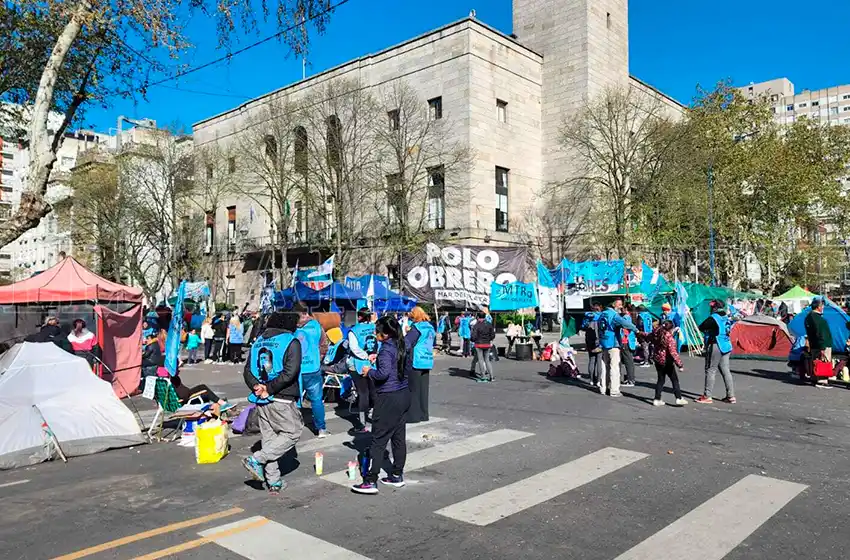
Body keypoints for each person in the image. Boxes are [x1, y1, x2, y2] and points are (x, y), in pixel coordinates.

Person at [241, 311, 304, 496]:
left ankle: (274, 481)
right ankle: (257, 459)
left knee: (269, 439)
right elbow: (290, 372)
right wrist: (269, 388)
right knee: (292, 433)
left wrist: (256, 387)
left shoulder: (259, 341)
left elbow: (247, 370)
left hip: (260, 398)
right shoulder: (291, 341)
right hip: (281, 396)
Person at [352, 316, 410, 494]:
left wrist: (369, 371)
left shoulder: (386, 349)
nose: (375, 334)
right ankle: (397, 474)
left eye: (377, 331)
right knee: (398, 438)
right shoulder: (402, 344)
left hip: (388, 397)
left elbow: (383, 374)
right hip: (403, 394)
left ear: (385, 334)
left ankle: (370, 480)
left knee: (378, 440)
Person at [295, 303, 330, 438]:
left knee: (293, 399)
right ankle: (321, 429)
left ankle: (293, 427)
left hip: (295, 369)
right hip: (313, 367)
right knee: (316, 400)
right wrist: (318, 359)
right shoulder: (316, 325)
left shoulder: (291, 326)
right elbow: (324, 345)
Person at [696, 300, 736, 404]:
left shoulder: (713, 318)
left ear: (714, 308)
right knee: (726, 371)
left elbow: (701, 327)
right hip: (726, 344)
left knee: (710, 370)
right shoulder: (725, 316)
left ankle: (707, 396)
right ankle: (731, 396)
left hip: (716, 344)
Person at [598, 298, 638, 397]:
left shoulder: (603, 314)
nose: (621, 307)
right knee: (614, 367)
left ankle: (603, 388)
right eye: (619, 305)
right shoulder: (614, 315)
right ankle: (614, 390)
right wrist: (636, 330)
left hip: (604, 342)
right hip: (613, 343)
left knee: (605, 367)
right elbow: (625, 324)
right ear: (613, 305)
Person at [642, 320, 687, 407]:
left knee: (661, 380)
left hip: (658, 359)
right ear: (671, 328)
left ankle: (657, 399)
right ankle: (678, 398)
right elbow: (673, 353)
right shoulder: (670, 338)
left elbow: (648, 335)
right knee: (674, 380)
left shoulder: (656, 333)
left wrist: (639, 332)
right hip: (667, 361)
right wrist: (680, 365)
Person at [348, 307, 378, 433]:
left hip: (358, 364)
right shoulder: (375, 327)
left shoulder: (354, 330)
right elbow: (380, 343)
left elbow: (354, 348)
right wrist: (374, 355)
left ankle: (362, 423)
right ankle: (377, 417)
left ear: (359, 317)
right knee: (374, 391)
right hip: (373, 363)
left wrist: (365, 355)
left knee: (363, 393)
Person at [405, 306, 435, 423]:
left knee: (414, 389)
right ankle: (424, 414)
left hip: (416, 360)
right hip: (427, 359)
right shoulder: (430, 327)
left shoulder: (416, 328)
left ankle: (413, 416)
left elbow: (407, 343)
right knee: (423, 390)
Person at [804, 297, 833, 387]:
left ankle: (814, 378)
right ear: (818, 307)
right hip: (822, 344)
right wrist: (822, 347)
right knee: (823, 361)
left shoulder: (808, 317)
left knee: (815, 361)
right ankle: (822, 381)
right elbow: (821, 333)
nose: (823, 308)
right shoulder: (818, 319)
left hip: (814, 343)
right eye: (822, 306)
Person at [471, 311, 496, 382]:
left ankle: (483, 377)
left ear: (478, 317)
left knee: (481, 360)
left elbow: (473, 336)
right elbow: (493, 335)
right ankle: (492, 377)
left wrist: (473, 340)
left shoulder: (476, 325)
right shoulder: (489, 324)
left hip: (479, 344)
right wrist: (489, 339)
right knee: (487, 360)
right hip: (487, 344)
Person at [583, 303, 603, 385]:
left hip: (589, 341)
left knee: (591, 360)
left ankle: (591, 379)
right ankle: (598, 380)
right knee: (599, 361)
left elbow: (583, 326)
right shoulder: (601, 316)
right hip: (599, 341)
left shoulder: (587, 316)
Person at [619, 306, 637, 387]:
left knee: (628, 362)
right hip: (630, 342)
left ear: (626, 309)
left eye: (622, 308)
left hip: (625, 342)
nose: (621, 310)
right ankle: (629, 378)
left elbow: (625, 330)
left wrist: (622, 338)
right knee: (629, 361)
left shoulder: (625, 318)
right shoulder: (632, 316)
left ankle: (630, 380)